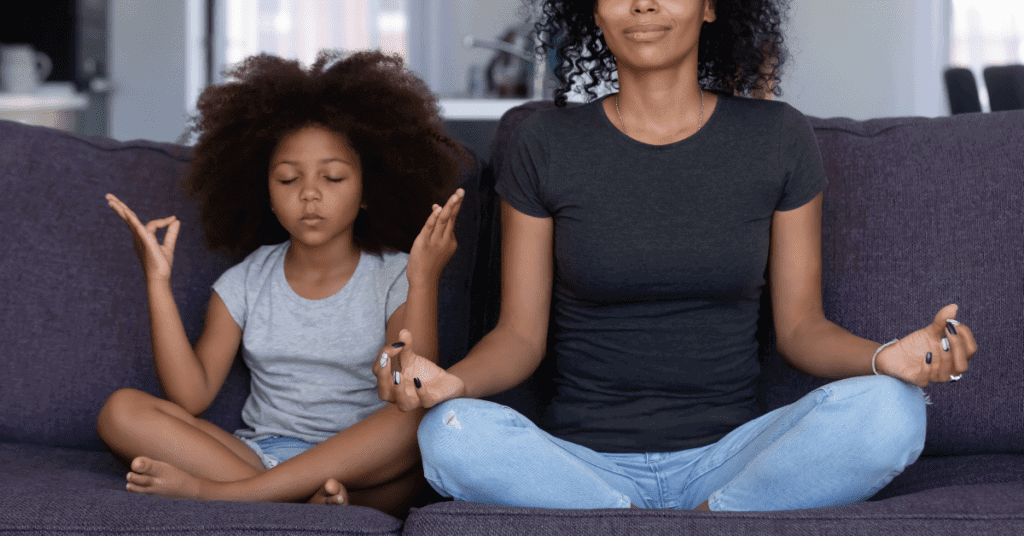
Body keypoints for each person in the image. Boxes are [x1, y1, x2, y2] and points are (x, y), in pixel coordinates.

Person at [371, 0, 979, 512]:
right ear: (596, 14)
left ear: (712, 5)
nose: (643, 3)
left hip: (733, 457)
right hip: (579, 465)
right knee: (450, 434)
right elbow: (519, 338)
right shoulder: (544, 143)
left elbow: (801, 329)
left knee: (894, 410)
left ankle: (706, 515)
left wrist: (885, 358)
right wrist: (454, 385)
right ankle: (642, 518)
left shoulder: (777, 138)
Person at [96, 49, 469, 517]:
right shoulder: (246, 281)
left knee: (413, 419)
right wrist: (157, 282)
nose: (310, 194)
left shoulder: (395, 274)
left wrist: (423, 280)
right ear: (265, 194)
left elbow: (408, 381)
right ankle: (304, 500)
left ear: (369, 190)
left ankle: (232, 495)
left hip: (362, 465)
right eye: (288, 179)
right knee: (120, 410)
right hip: (261, 455)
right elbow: (191, 395)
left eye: (332, 177)